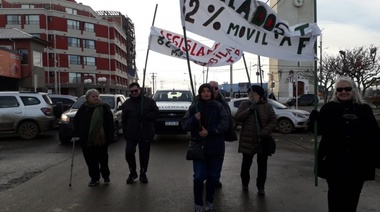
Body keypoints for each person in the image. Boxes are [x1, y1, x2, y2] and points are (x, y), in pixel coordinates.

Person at [309, 77, 380, 211]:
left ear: (353, 91)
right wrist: (314, 121)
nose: (343, 92)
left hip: (358, 163)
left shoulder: (364, 109)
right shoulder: (328, 108)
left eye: (347, 89)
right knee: (335, 198)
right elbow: (318, 131)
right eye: (339, 89)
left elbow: (374, 135)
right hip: (334, 163)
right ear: (335, 92)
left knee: (352, 199)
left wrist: (376, 157)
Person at [182, 83, 229, 212]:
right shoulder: (194, 107)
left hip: (216, 147)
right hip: (199, 148)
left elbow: (225, 124)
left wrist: (210, 131)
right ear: (200, 93)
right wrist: (193, 119)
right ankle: (198, 203)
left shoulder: (219, 106)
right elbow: (184, 125)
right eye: (203, 91)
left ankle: (209, 201)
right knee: (198, 177)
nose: (206, 93)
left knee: (213, 177)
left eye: (208, 91)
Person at [235, 85, 277, 195]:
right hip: (248, 140)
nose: (250, 94)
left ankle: (261, 187)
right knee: (246, 164)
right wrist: (250, 110)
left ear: (258, 94)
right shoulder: (245, 104)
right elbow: (238, 117)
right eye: (249, 92)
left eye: (252, 92)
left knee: (262, 166)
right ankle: (245, 183)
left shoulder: (267, 106)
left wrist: (264, 132)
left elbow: (273, 121)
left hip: (262, 140)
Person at [72, 89, 114, 186]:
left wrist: (109, 137)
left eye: (97, 96)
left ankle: (106, 176)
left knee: (103, 160)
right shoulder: (83, 108)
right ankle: (94, 178)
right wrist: (75, 131)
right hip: (87, 140)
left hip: (101, 140)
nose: (95, 98)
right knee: (91, 161)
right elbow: (76, 121)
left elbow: (109, 124)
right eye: (93, 96)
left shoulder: (104, 108)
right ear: (88, 98)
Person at [122, 82, 159, 184]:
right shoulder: (127, 103)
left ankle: (143, 173)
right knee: (129, 153)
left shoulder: (149, 102)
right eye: (132, 91)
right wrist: (125, 132)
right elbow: (124, 119)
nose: (134, 93)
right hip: (131, 133)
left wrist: (146, 116)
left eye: (136, 90)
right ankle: (132, 172)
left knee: (144, 155)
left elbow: (156, 114)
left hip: (145, 132)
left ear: (140, 90)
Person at [209, 80, 237, 188]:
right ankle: (206, 177)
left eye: (216, 88)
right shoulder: (198, 101)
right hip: (204, 137)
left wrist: (217, 129)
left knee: (218, 159)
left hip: (218, 136)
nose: (214, 90)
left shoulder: (222, 103)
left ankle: (216, 178)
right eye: (211, 88)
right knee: (204, 159)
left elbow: (226, 120)